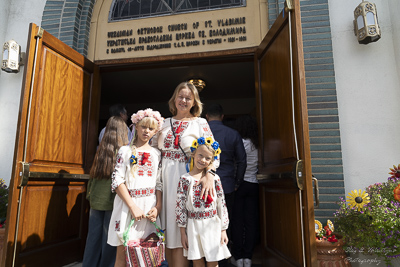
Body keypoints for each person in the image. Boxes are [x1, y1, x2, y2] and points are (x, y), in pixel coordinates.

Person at [152, 81, 218, 267]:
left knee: (185, 230)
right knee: (168, 231)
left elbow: (214, 152)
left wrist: (209, 175)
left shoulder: (200, 123)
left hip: (188, 181)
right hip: (165, 181)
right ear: (174, 99)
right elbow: (153, 152)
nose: (183, 100)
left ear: (194, 102)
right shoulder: (163, 123)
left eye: (188, 98)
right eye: (180, 96)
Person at [107, 108, 164, 267]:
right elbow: (117, 181)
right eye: (143, 126)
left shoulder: (156, 154)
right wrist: (132, 206)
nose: (146, 131)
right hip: (127, 206)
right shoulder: (124, 151)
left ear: (155, 131)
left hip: (148, 207)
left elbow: (159, 183)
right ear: (136, 127)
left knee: (147, 255)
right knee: (122, 254)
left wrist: (158, 207)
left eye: (151, 128)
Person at [176, 137, 231, 267]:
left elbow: (221, 204)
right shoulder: (185, 179)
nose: (203, 160)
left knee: (213, 260)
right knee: (197, 261)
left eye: (208, 158)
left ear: (212, 161)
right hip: (192, 225)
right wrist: (183, 233)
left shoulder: (215, 179)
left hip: (212, 224)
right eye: (201, 155)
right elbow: (180, 207)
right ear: (193, 153)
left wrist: (223, 230)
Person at [82, 116, 129, 267]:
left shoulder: (100, 150)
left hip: (96, 200)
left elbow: (93, 178)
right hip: (112, 202)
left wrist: (90, 195)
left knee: (93, 238)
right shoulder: (124, 152)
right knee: (110, 240)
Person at [205, 104, 246, 251]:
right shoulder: (233, 133)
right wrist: (237, 182)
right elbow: (242, 161)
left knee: (204, 221)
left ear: (207, 117)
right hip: (227, 184)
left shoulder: (202, 133)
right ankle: (224, 256)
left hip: (204, 185)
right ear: (222, 117)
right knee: (226, 221)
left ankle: (206, 256)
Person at [232, 115, 260, 267]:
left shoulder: (240, 143)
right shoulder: (258, 144)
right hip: (254, 184)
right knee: (250, 222)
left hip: (240, 184)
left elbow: (237, 163)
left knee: (237, 221)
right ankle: (248, 258)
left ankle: (238, 257)